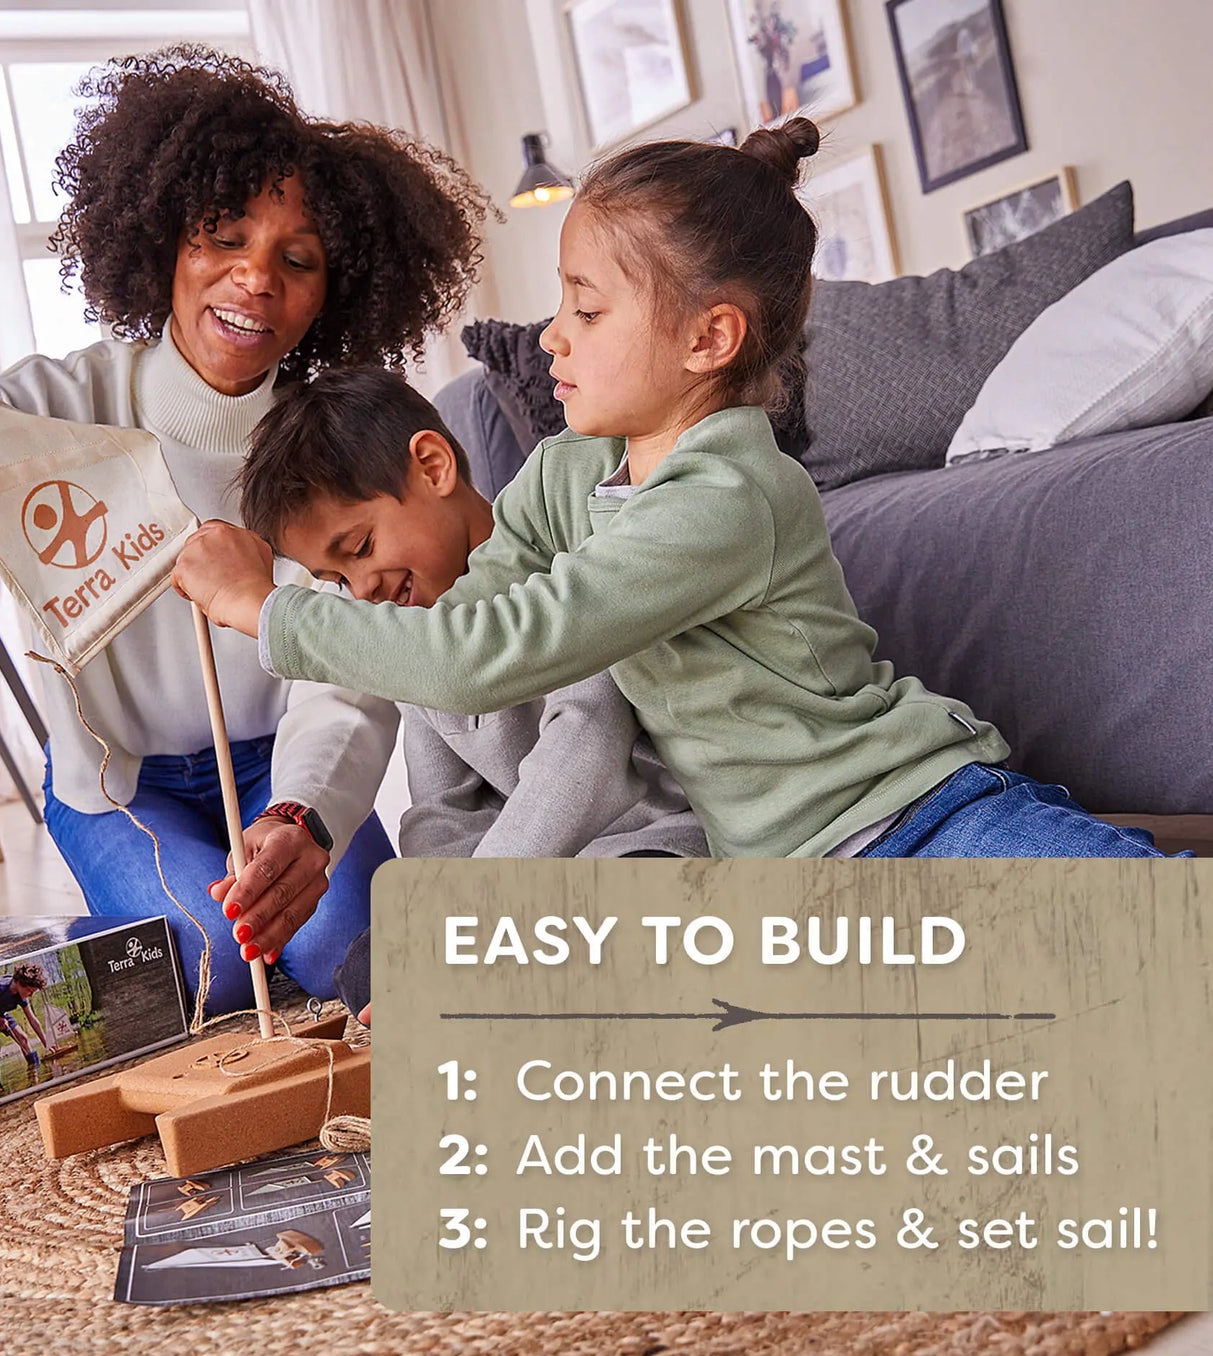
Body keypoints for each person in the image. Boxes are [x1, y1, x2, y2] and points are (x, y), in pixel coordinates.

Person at [171, 119, 1183, 865]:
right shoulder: (568, 472)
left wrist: (267, 610)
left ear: (708, 339)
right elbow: (462, 633)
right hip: (794, 872)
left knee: (1149, 955)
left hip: (917, 815)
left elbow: (488, 654)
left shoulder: (724, 494)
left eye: (585, 307)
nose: (551, 334)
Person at [0, 48, 489, 1014]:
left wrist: (300, 817)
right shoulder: (42, 413)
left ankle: (153, 943)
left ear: (332, 292)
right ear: (163, 245)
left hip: (286, 757)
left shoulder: (330, 448)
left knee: (360, 971)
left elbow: (351, 676)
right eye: (223, 236)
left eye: (298, 259)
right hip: (121, 786)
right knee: (220, 970)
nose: (256, 278)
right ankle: (113, 939)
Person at [229, 366, 709, 1023]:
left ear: (431, 465)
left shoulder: (558, 557)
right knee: (369, 964)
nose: (362, 589)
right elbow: (440, 811)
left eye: (360, 547)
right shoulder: (410, 627)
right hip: (528, 886)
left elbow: (589, 748)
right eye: (334, 577)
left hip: (643, 843)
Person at [0, 962, 51, 1094]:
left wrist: (47, 1044)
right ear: (21, 983)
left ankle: (34, 1071)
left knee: (23, 1038)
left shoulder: (21, 995)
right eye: (30, 991)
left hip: (1, 1013)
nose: (30, 995)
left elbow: (32, 1020)